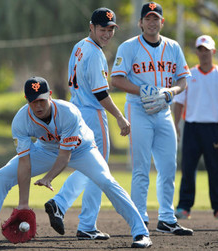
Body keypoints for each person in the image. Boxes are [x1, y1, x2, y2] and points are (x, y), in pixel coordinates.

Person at [0, 76, 152, 248]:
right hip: (44, 150)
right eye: (34, 101)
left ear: (50, 96)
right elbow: (24, 162)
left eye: (42, 100)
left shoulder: (68, 113)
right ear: (27, 100)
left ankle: (141, 233)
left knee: (106, 181)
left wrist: (48, 178)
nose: (39, 105)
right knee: (2, 176)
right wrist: (23, 204)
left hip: (82, 150)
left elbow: (65, 157)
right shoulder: (21, 121)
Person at [44, 7, 130, 240]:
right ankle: (85, 223)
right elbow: (101, 94)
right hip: (92, 114)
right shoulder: (95, 53)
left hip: (76, 112)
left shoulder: (79, 46)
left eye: (111, 29)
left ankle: (62, 205)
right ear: (91, 27)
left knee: (91, 167)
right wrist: (120, 117)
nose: (108, 33)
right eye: (103, 28)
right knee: (98, 169)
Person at [110, 2, 193, 235]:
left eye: (156, 18)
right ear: (140, 22)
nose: (152, 22)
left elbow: (183, 80)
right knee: (141, 168)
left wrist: (171, 92)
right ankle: (140, 218)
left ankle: (167, 218)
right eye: (148, 18)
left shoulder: (173, 47)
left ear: (162, 22)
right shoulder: (128, 47)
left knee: (168, 166)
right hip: (138, 110)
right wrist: (142, 90)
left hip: (164, 110)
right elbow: (116, 80)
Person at [174, 35, 218, 220]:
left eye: (207, 49)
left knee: (215, 169)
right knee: (188, 168)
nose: (204, 53)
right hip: (192, 127)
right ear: (197, 52)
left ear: (213, 51)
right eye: (200, 49)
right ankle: (184, 207)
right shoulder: (188, 75)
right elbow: (179, 102)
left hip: (214, 129)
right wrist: (175, 126)